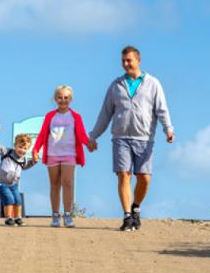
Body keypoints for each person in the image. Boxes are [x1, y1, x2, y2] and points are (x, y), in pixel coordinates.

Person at [87, 46, 174, 232]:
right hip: (121, 138)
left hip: (144, 138)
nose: (125, 64)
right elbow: (105, 113)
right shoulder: (116, 85)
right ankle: (127, 216)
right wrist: (93, 136)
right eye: (123, 61)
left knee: (145, 178)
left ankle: (136, 207)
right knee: (123, 175)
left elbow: (161, 109)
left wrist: (168, 128)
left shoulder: (153, 83)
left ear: (138, 60)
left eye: (129, 60)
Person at [33, 85, 90, 228]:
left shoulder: (75, 116)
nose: (63, 100)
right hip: (52, 154)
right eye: (60, 97)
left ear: (70, 99)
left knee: (68, 183)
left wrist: (89, 143)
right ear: (55, 99)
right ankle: (55, 215)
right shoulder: (50, 116)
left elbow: (82, 134)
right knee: (55, 184)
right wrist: (36, 150)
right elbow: (42, 135)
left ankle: (68, 215)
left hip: (69, 154)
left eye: (66, 97)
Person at [0, 133, 37, 226]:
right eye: (20, 147)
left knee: (18, 200)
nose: (22, 150)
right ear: (15, 145)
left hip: (13, 184)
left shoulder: (23, 159)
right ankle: (9, 218)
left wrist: (33, 162)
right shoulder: (7, 152)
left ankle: (18, 218)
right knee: (9, 199)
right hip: (1, 183)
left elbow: (24, 167)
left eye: (25, 149)